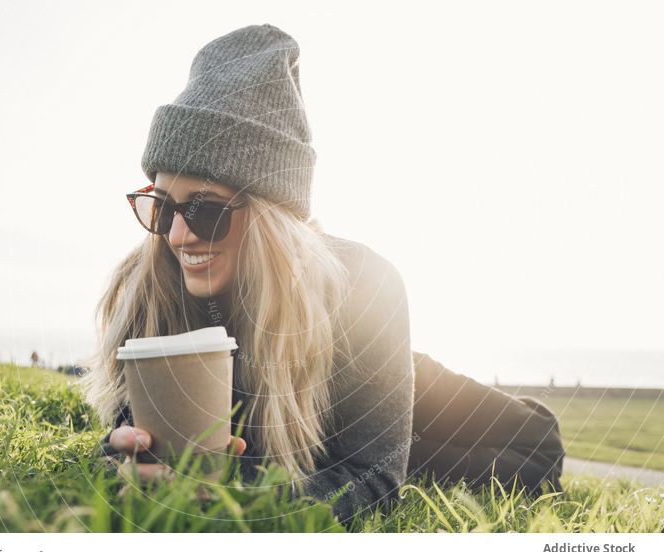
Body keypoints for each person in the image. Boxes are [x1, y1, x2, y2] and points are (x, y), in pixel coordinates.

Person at [78, 24, 563, 526]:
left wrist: (246, 500)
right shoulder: (150, 287)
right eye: (162, 208)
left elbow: (371, 478)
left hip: (372, 372)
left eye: (206, 212)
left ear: (273, 218)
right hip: (318, 423)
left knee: (516, 450)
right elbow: (129, 438)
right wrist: (125, 458)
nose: (177, 237)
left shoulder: (365, 286)